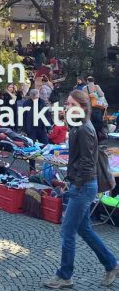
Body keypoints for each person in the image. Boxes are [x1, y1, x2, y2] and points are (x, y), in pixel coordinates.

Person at [44, 90, 119, 289]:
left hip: (84, 186)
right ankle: (111, 264)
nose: (66, 107)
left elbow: (87, 162)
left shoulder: (85, 129)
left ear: (82, 107)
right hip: (83, 184)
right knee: (83, 228)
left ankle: (64, 275)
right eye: (66, 104)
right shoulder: (78, 126)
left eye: (70, 104)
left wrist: (76, 183)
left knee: (67, 230)